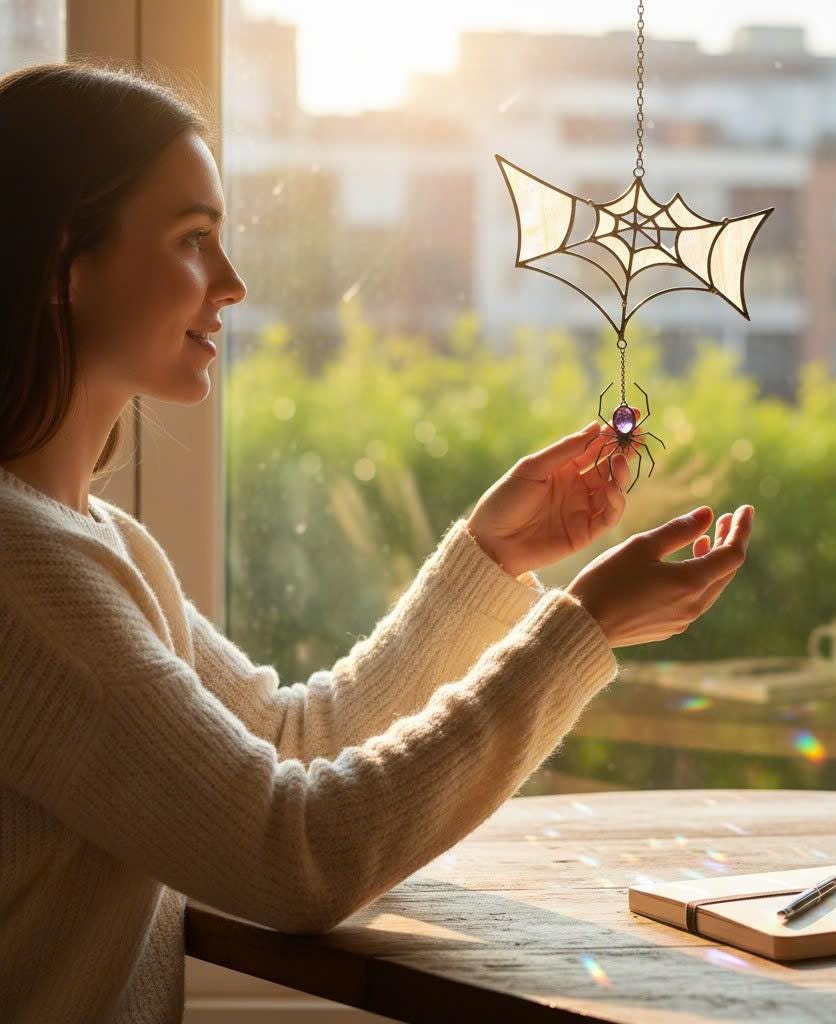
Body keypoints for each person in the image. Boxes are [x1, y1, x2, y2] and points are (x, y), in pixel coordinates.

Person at [0, 62, 754, 1023]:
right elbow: (293, 856)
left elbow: (288, 740)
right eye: (195, 240)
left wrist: (491, 560)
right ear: (68, 261)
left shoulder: (98, 544)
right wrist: (583, 632)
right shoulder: (23, 577)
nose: (232, 284)